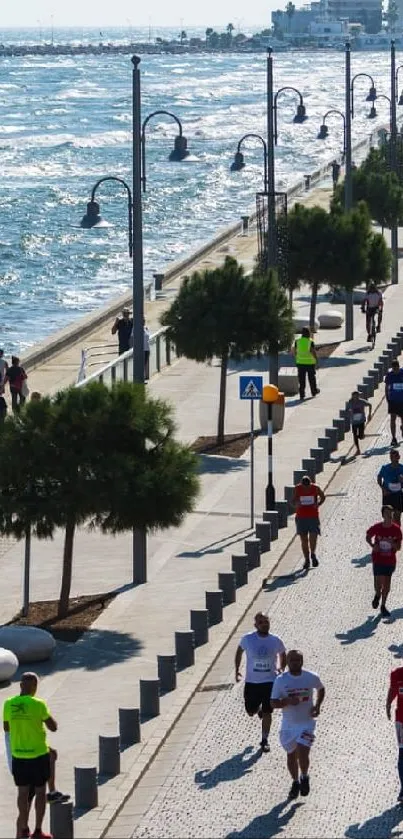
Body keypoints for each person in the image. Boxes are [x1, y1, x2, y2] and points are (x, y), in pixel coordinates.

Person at [3, 672, 57, 839]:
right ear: (34, 686)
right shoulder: (38, 704)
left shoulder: (8, 703)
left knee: (22, 792)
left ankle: (24, 827)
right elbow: (53, 726)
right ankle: (38, 831)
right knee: (40, 792)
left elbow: (6, 728)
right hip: (38, 755)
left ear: (20, 685)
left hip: (18, 756)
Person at [271, 649, 325, 800]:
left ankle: (305, 776)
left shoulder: (311, 677)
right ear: (287, 662)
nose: (295, 663)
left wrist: (317, 706)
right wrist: (286, 701)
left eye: (297, 660)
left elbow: (321, 689)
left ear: (302, 661)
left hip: (307, 723)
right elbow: (273, 703)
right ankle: (295, 782)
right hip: (288, 725)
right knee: (291, 756)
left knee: (303, 752)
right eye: (292, 660)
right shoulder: (280, 680)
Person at [235, 612, 286, 753]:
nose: (265, 624)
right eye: (261, 622)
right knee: (250, 710)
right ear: (256, 625)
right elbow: (239, 651)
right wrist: (237, 670)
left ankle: (264, 740)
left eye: (266, 621)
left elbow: (283, 653)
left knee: (268, 711)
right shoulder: (248, 639)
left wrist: (281, 667)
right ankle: (257, 711)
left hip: (270, 682)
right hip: (252, 682)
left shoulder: (275, 640)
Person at [366, 504, 402, 618]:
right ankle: (377, 594)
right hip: (378, 558)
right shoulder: (377, 527)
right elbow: (368, 535)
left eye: (390, 513)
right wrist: (372, 545)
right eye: (387, 513)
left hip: (390, 560)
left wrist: (393, 544)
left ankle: (383, 605)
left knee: (387, 584)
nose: (389, 516)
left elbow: (399, 547)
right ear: (383, 515)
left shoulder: (396, 530)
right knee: (378, 583)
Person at [293, 475, 325, 570]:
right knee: (304, 540)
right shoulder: (297, 488)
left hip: (313, 517)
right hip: (301, 517)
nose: (306, 488)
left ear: (310, 483)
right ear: (301, 484)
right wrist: (296, 504)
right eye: (304, 486)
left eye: (307, 486)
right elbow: (292, 501)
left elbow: (323, 497)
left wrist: (318, 504)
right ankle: (307, 560)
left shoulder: (315, 488)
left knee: (313, 538)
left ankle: (313, 554)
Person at [386, 665, 403, 802]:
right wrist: (388, 704)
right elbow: (392, 691)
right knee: (402, 755)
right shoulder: (397, 674)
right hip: (401, 721)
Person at [292, 327, 320, 401]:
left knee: (301, 379)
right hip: (310, 363)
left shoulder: (297, 341)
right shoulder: (310, 341)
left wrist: (296, 358)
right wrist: (316, 359)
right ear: (308, 333)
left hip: (300, 363)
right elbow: (313, 351)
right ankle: (314, 391)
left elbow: (294, 351)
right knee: (312, 378)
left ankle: (302, 394)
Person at [377, 449, 403, 524]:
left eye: (395, 456)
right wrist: (383, 489)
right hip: (387, 495)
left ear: (399, 457)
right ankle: (390, 533)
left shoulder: (402, 468)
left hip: (398, 495)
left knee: (397, 517)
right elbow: (379, 477)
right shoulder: (385, 468)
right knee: (388, 518)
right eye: (391, 457)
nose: (392, 458)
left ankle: (397, 534)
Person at [347, 390, 372, 455]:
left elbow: (370, 405)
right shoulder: (350, 402)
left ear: (358, 396)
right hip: (354, 422)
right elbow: (347, 409)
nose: (355, 398)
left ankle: (362, 435)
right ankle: (358, 449)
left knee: (360, 436)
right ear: (352, 397)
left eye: (356, 397)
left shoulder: (362, 401)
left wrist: (369, 414)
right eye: (354, 397)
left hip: (361, 421)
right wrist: (349, 414)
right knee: (355, 435)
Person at [385, 360, 403, 447]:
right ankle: (393, 438)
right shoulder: (389, 375)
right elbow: (386, 387)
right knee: (393, 419)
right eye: (394, 368)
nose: (395, 370)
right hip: (393, 401)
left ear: (399, 367)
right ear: (392, 368)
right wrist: (387, 399)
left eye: (397, 368)